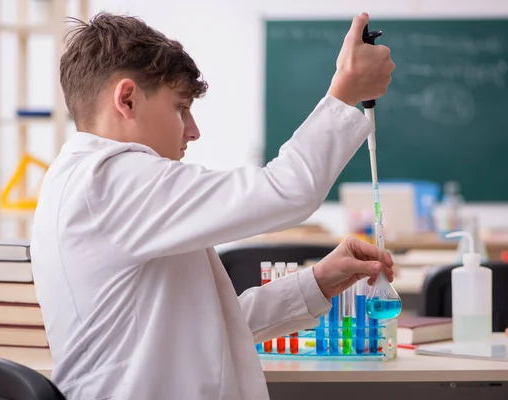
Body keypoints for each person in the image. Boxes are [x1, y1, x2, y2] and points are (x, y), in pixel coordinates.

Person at [30, 10, 395, 400]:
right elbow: (288, 189)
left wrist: (316, 283)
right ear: (128, 99)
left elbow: (203, 328)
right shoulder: (110, 181)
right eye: (180, 107)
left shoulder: (94, 184)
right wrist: (344, 94)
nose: (193, 130)